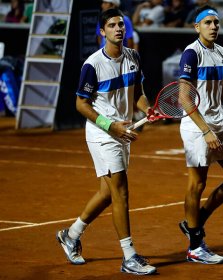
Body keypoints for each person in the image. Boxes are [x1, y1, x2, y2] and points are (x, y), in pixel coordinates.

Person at [56, 8, 157, 275]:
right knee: (121, 191)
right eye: (112, 25)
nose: (118, 29)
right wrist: (109, 125)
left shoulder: (133, 57)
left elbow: (138, 94)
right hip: (103, 134)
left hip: (123, 131)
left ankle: (71, 234)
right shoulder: (92, 65)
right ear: (102, 32)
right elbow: (81, 104)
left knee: (106, 193)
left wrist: (146, 109)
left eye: (121, 24)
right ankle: (129, 256)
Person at [177, 5, 223, 264]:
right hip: (197, 127)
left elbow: (222, 94)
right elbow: (184, 98)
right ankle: (195, 246)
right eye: (207, 23)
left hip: (219, 123)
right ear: (197, 27)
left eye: (216, 22)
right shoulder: (191, 54)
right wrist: (205, 130)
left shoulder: (222, 52)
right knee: (197, 182)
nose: (213, 26)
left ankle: (195, 222)